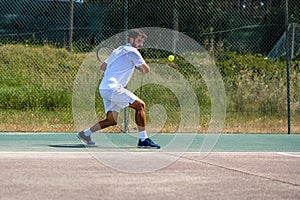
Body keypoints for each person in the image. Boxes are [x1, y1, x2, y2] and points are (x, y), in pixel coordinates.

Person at [77, 29, 160, 149]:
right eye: (138, 41)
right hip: (113, 88)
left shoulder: (117, 50)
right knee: (140, 105)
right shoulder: (133, 52)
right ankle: (143, 140)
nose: (141, 44)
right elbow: (146, 69)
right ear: (131, 39)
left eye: (142, 42)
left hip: (104, 88)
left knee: (111, 120)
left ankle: (85, 134)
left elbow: (103, 67)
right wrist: (139, 68)